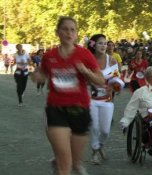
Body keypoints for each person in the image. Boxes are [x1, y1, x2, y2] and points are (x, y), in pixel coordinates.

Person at [31, 16, 105, 175]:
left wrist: (85, 71)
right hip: (56, 109)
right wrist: (36, 76)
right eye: (65, 29)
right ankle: (62, 163)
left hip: (79, 110)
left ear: (76, 34)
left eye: (73, 30)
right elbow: (42, 74)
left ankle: (67, 163)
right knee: (65, 162)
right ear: (58, 32)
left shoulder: (84, 54)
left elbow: (100, 81)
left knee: (74, 161)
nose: (69, 33)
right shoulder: (49, 56)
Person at [87, 34, 124, 165]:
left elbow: (116, 80)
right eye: (100, 43)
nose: (103, 46)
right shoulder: (89, 60)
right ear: (93, 45)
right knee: (95, 128)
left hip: (107, 100)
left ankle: (100, 145)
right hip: (91, 99)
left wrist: (116, 87)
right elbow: (83, 79)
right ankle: (95, 153)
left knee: (105, 131)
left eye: (105, 43)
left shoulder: (112, 60)